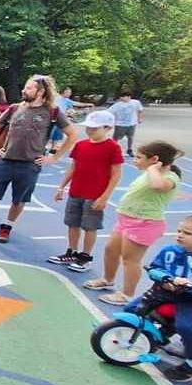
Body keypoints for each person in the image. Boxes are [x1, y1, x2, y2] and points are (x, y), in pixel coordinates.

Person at [84, 141, 183, 304]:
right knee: (111, 250)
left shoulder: (170, 177)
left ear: (154, 159)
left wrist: (153, 169)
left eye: (139, 157)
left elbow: (158, 186)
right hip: (126, 219)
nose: (135, 160)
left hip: (144, 223)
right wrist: (151, 169)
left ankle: (126, 295)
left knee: (130, 260)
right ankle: (107, 279)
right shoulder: (149, 173)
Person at [0, 74, 77, 244]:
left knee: (19, 200)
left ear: (40, 91)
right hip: (6, 160)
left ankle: (7, 227)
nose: (24, 90)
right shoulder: (14, 108)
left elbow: (72, 134)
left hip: (29, 165)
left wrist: (54, 157)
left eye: (28, 88)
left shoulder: (52, 111)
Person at [47, 110, 123, 272]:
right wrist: (61, 187)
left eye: (94, 128)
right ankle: (72, 252)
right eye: (89, 127)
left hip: (95, 195)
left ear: (108, 128)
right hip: (76, 191)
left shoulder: (113, 148)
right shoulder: (81, 145)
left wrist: (104, 197)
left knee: (90, 226)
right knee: (72, 223)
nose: (90, 131)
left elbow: (116, 174)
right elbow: (73, 168)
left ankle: (85, 257)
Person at [121, 216, 192, 381]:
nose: (180, 235)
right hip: (165, 292)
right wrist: (165, 278)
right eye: (179, 231)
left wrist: (187, 286)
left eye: (188, 233)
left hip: (190, 299)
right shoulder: (170, 251)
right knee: (132, 309)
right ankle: (157, 335)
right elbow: (155, 268)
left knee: (188, 327)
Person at [108, 90, 144, 157]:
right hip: (120, 124)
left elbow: (140, 110)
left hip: (132, 123)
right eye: (121, 97)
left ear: (129, 97)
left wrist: (140, 118)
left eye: (123, 97)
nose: (121, 98)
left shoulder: (136, 102)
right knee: (116, 138)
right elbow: (109, 112)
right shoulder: (118, 104)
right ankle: (112, 150)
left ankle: (129, 149)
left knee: (130, 137)